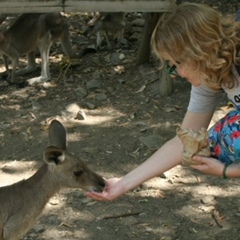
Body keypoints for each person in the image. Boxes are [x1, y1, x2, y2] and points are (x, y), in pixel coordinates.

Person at [85, 2, 240, 201]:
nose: (177, 74)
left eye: (178, 63)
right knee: (199, 146)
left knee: (231, 135)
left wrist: (229, 171)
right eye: (171, 65)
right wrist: (123, 183)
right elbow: (184, 141)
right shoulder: (208, 72)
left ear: (200, 50)